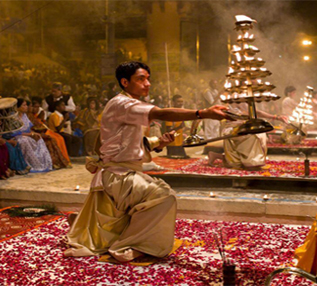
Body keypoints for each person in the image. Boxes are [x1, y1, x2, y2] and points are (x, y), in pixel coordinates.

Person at [64, 61, 234, 263]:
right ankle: (131, 245)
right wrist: (203, 113)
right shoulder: (122, 104)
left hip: (124, 171)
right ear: (125, 82)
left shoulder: (127, 104)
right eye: (141, 79)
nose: (147, 84)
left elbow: (127, 143)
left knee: (154, 193)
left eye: (148, 79)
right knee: (163, 195)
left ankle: (97, 228)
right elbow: (159, 114)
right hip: (118, 175)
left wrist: (158, 142)